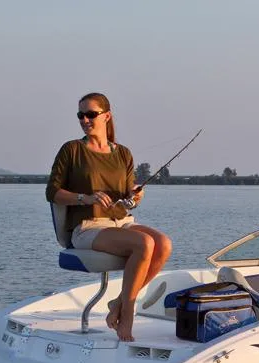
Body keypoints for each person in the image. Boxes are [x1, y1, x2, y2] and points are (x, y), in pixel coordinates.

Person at [46, 92, 172, 341]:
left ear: (107, 116)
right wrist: (86, 198)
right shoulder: (72, 150)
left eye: (91, 114)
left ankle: (117, 303)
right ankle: (127, 317)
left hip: (121, 223)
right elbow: (52, 192)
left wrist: (136, 196)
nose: (85, 120)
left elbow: (129, 196)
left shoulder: (123, 153)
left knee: (164, 244)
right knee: (144, 243)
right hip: (87, 228)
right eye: (81, 115)